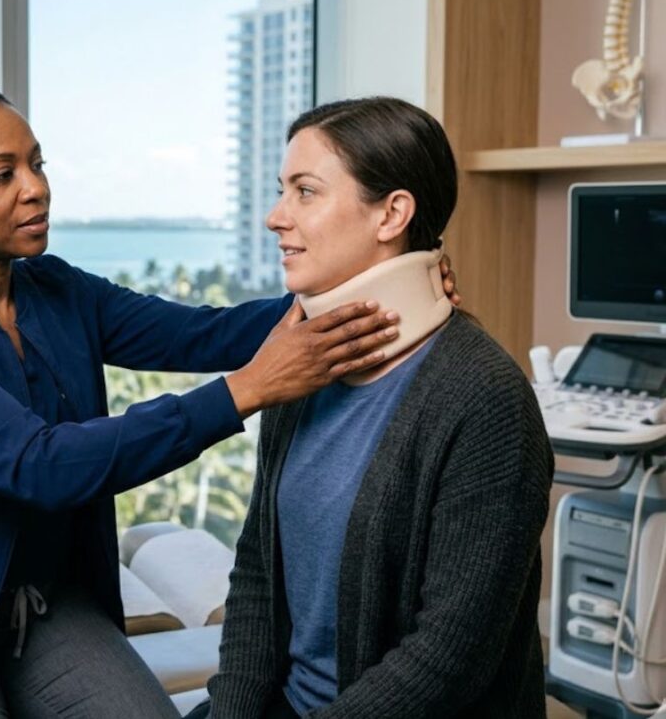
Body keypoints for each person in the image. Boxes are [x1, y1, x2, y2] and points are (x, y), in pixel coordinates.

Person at [0, 83, 460, 719]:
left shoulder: (56, 289)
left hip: (39, 611)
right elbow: (42, 465)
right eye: (3, 175)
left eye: (37, 164)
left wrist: (380, 287)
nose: (36, 187)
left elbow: (205, 332)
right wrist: (251, 390)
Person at [198, 97, 554, 718]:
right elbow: (258, 573)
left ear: (392, 214)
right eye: (282, 190)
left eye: (305, 192)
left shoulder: (486, 399)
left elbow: (448, 656)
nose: (275, 217)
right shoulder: (304, 365)